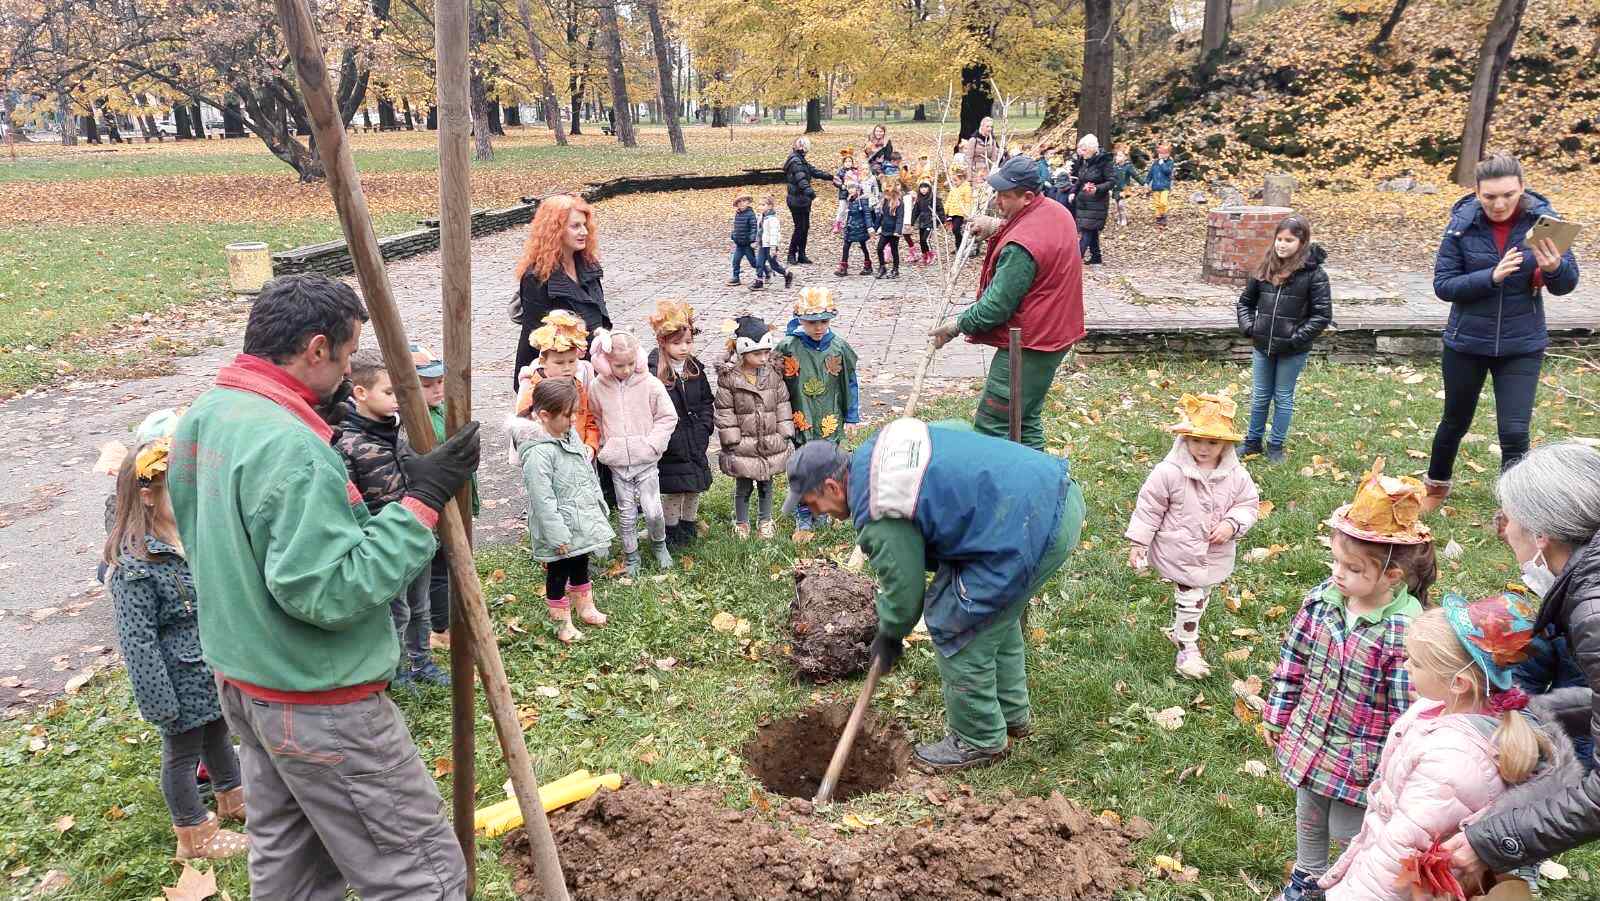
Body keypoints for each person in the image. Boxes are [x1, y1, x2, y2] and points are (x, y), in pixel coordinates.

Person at [168, 274, 479, 898]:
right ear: (316, 348)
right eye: (345, 355)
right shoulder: (290, 449)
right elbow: (330, 589)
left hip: (249, 684)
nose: (345, 373)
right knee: (422, 875)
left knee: (295, 870)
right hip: (318, 701)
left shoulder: (208, 414)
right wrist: (420, 500)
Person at [783, 418, 1085, 771]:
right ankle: (1011, 713)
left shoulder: (880, 510)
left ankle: (979, 738)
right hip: (1050, 493)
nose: (817, 513)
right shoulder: (878, 450)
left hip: (1026, 526)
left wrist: (888, 635)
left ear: (832, 486)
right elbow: (959, 429)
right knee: (993, 615)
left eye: (812, 503)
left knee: (956, 621)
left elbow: (905, 593)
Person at [1264, 459, 1437, 901]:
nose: (1338, 573)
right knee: (1308, 816)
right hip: (1310, 739)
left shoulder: (1403, 630)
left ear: (1392, 575)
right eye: (1336, 561)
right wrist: (1278, 715)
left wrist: (1401, 769)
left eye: (1354, 568)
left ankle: (1348, 885)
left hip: (1363, 759)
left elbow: (1410, 712)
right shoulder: (1321, 603)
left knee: (1349, 830)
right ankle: (1306, 879)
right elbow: (1293, 661)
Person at [1316, 596, 1565, 900]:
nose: (1406, 665)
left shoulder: (1451, 763)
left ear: (1458, 683)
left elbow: (1401, 850)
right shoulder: (1446, 707)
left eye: (1416, 662)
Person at [1444, 442, 1600, 885]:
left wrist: (1489, 841)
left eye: (1507, 517)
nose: (1504, 529)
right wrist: (1536, 713)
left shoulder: (1594, 614)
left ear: (1541, 534)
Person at [106, 430, 248, 862]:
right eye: (179, 487)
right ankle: (193, 833)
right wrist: (159, 702)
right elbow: (138, 642)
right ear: (147, 496)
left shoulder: (186, 540)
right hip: (176, 682)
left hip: (208, 670)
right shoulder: (135, 567)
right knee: (182, 755)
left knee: (218, 734)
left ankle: (233, 796)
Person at [1422, 153, 1581, 514]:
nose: (1499, 204)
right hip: (1467, 341)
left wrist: (1554, 268)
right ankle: (1435, 487)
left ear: (1522, 188)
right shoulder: (1462, 225)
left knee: (1514, 431)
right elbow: (1444, 285)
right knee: (1454, 421)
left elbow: (1566, 284)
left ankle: (1515, 508)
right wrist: (1491, 277)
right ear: (1477, 192)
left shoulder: (1546, 224)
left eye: (1508, 194)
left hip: (1521, 343)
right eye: (1489, 196)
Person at [929, 155, 1085, 450]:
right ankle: (1041, 475)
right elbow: (1034, 230)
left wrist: (956, 325)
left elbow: (995, 307)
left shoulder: (1020, 248)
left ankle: (1001, 479)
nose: (997, 201)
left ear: (1028, 197)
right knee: (1024, 418)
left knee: (994, 423)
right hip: (1057, 333)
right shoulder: (1056, 211)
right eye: (997, 193)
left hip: (1031, 343)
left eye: (1005, 195)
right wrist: (997, 226)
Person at [334, 350, 447, 692]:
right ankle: (394, 671)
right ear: (360, 393)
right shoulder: (348, 444)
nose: (398, 398)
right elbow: (350, 503)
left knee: (420, 607)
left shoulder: (399, 429)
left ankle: (422, 662)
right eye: (389, 392)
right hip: (383, 544)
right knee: (396, 612)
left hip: (415, 533)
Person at [1126, 393, 1260, 679]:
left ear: (1226, 444)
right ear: (1185, 438)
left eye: (1212, 442)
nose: (1203, 448)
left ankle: (1181, 630)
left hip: (1214, 553)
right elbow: (1150, 507)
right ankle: (1187, 647)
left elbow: (1248, 504)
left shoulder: (1236, 475)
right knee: (1191, 598)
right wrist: (1139, 542)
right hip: (1179, 550)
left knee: (1203, 594)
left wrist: (1232, 524)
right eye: (1196, 440)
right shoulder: (1169, 472)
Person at [511, 378, 614, 643]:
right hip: (558, 527)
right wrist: (557, 535)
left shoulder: (569, 435)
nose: (574, 419)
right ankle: (561, 623)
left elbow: (585, 473)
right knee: (558, 572)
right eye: (568, 415)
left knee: (581, 561)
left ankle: (585, 607)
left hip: (579, 517)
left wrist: (597, 502)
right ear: (545, 415)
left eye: (575, 413)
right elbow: (542, 499)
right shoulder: (538, 453)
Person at [1235, 215, 1332, 463]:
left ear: (1302, 242)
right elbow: (1245, 303)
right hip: (1262, 346)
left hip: (1292, 350)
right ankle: (1252, 442)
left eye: (1289, 240)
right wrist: (1250, 328)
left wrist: (1295, 339)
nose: (1282, 244)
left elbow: (1322, 316)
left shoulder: (1314, 275)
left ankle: (1275, 445)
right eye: (1279, 239)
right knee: (1259, 396)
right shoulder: (1264, 268)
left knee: (1283, 397)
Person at [589, 332, 678, 576]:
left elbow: (667, 417)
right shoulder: (597, 387)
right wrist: (607, 446)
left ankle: (659, 545)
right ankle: (631, 556)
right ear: (605, 363)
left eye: (630, 363)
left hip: (646, 460)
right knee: (626, 513)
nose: (626, 370)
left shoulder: (650, 384)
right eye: (619, 365)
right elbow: (595, 417)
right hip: (618, 463)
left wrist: (653, 445)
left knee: (653, 510)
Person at [775, 287, 859, 542]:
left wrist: (852, 415)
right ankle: (803, 511)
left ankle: (823, 508)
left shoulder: (839, 348)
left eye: (824, 321)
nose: (819, 327)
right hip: (801, 418)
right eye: (812, 322)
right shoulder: (788, 347)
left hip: (829, 418)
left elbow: (850, 382)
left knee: (827, 468)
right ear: (800, 319)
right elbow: (775, 382)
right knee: (804, 467)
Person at [412, 343, 478, 652]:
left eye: (439, 382)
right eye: (427, 385)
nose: (437, 389)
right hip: (434, 507)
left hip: (452, 500)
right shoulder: (413, 423)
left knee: (451, 568)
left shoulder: (439, 411)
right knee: (438, 571)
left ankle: (451, 619)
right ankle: (439, 628)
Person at [513, 193, 609, 395]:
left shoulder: (589, 265)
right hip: (553, 377)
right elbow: (540, 336)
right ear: (555, 230)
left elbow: (601, 318)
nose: (584, 231)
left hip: (591, 368)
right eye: (575, 226)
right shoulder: (536, 277)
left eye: (585, 225)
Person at [714, 315, 793, 540]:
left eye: (766, 353)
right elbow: (725, 409)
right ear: (742, 351)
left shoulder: (773, 374)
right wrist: (732, 439)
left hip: (769, 440)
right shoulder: (730, 378)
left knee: (766, 484)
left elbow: (782, 403)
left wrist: (784, 431)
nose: (763, 358)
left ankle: (765, 520)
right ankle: (742, 522)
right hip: (743, 444)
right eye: (757, 354)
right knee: (743, 485)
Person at [646, 300, 714, 549]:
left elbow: (706, 400)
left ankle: (689, 525)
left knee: (694, 487)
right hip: (671, 445)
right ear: (663, 342)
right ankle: (672, 531)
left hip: (695, 440)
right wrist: (663, 438)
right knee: (675, 489)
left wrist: (705, 427)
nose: (684, 348)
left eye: (688, 341)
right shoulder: (654, 373)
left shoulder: (694, 369)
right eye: (677, 343)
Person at [515, 310, 600, 456]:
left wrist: (590, 445)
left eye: (572, 361)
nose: (567, 368)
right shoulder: (535, 391)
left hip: (579, 454)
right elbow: (523, 428)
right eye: (559, 363)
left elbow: (589, 419)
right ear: (543, 362)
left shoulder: (578, 386)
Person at [783, 136, 835, 265]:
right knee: (799, 227)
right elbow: (801, 181)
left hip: (803, 200)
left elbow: (813, 171)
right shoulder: (795, 161)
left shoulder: (801, 160)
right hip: (796, 199)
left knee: (805, 227)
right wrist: (813, 195)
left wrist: (831, 177)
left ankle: (801, 254)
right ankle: (791, 254)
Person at [1067, 133, 1112, 265]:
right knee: (1091, 230)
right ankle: (1096, 257)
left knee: (1086, 230)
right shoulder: (1085, 161)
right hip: (1084, 202)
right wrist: (1073, 192)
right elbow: (1081, 179)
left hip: (1097, 202)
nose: (1081, 152)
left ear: (1092, 149)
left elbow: (1111, 181)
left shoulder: (1104, 162)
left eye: (1084, 149)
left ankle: (1074, 259)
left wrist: (1097, 188)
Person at [753, 194, 794, 290]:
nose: (760, 207)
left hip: (770, 245)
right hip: (762, 244)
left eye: (763, 205)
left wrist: (773, 247)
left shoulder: (772, 219)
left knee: (774, 265)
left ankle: (787, 274)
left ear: (770, 206)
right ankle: (759, 281)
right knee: (759, 263)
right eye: (760, 204)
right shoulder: (761, 217)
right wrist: (757, 241)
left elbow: (774, 234)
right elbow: (760, 231)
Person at [836, 182, 874, 277]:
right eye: (849, 188)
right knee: (846, 246)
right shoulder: (850, 200)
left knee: (863, 246)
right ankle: (843, 266)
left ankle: (868, 265)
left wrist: (869, 227)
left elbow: (867, 215)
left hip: (860, 227)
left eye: (853, 188)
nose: (851, 190)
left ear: (858, 190)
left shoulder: (862, 201)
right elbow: (847, 214)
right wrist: (843, 223)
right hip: (850, 227)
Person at [872, 182, 909, 280]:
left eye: (888, 194)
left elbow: (900, 218)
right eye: (885, 194)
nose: (886, 196)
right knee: (879, 248)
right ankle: (882, 267)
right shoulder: (883, 202)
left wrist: (898, 231)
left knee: (894, 250)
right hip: (885, 230)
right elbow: (880, 217)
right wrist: (875, 229)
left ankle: (895, 269)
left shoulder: (899, 203)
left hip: (894, 231)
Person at [728, 190, 760, 287]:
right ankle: (736, 277)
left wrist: (752, 239)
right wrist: (734, 235)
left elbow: (754, 227)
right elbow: (737, 227)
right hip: (739, 244)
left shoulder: (750, 214)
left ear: (748, 202)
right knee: (735, 261)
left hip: (747, 244)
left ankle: (765, 270)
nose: (741, 203)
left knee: (753, 262)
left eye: (744, 201)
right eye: (739, 202)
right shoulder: (738, 214)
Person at [910, 178, 944, 266]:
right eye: (922, 188)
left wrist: (938, 221)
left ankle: (931, 255)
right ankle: (925, 255)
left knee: (926, 239)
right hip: (922, 222)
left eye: (925, 187)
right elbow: (915, 211)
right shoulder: (919, 199)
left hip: (930, 222)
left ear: (929, 188)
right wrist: (912, 222)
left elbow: (940, 210)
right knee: (921, 240)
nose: (923, 189)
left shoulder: (934, 199)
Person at [1109, 143, 1143, 228]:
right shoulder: (1114, 167)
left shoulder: (1128, 167)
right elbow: (1110, 177)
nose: (1118, 157)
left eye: (1120, 156)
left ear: (1125, 157)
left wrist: (1143, 183)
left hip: (1124, 188)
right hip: (1116, 188)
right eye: (1117, 156)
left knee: (1121, 204)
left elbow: (1136, 176)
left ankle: (1124, 219)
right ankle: (1119, 217)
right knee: (1117, 205)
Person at [1147, 142, 1175, 226]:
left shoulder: (1170, 162)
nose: (1162, 155)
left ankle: (1163, 215)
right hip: (1155, 186)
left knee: (1163, 202)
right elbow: (1151, 173)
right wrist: (1147, 182)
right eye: (1160, 153)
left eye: (1164, 153)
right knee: (1157, 203)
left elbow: (1168, 171)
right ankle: (1158, 217)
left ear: (1168, 154)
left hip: (1165, 186)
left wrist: (1162, 163)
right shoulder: (1155, 163)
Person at [944, 164, 972, 248]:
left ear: (962, 179)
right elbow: (949, 200)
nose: (954, 182)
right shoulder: (954, 188)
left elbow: (968, 202)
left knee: (956, 229)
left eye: (956, 180)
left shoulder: (966, 188)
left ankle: (960, 246)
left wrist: (967, 213)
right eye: (953, 181)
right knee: (954, 230)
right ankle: (958, 246)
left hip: (960, 213)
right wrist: (945, 211)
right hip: (952, 213)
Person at [832, 148, 857, 234]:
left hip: (852, 194)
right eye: (846, 162)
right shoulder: (841, 171)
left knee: (849, 209)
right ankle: (837, 223)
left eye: (850, 161)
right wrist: (841, 186)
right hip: (843, 193)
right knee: (842, 209)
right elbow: (835, 181)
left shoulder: (854, 171)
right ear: (843, 163)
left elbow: (858, 180)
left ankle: (845, 223)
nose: (848, 163)